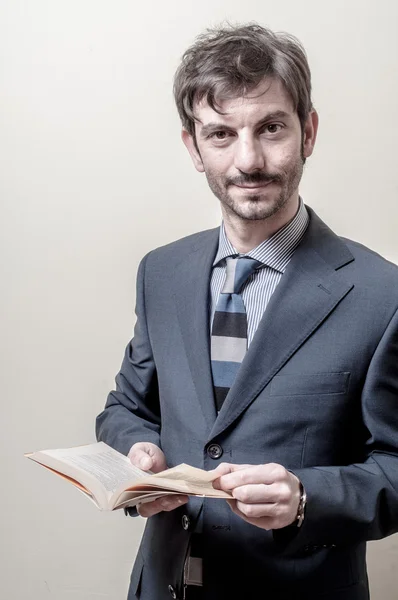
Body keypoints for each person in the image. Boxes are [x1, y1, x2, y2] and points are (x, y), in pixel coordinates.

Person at [96, 23, 398, 600]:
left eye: (271, 128)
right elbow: (124, 408)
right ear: (193, 147)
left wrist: (308, 497)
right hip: (164, 585)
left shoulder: (384, 295)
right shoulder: (160, 272)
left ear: (308, 132)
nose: (249, 159)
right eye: (220, 134)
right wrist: (138, 456)